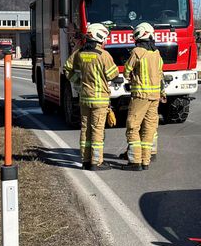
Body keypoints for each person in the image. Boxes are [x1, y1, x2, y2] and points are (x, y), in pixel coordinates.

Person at [62, 22, 119, 170]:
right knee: (97, 131)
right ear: (99, 37)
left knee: (85, 130)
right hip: (100, 100)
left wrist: (78, 82)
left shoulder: (79, 53)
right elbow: (113, 74)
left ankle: (85, 160)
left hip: (84, 98)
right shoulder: (103, 55)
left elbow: (67, 69)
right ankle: (96, 162)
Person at [123, 22, 164, 171]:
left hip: (140, 95)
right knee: (149, 128)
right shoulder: (157, 53)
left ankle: (135, 162)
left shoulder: (137, 52)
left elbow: (127, 70)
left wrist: (131, 79)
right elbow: (160, 74)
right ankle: (145, 161)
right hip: (155, 97)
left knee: (133, 127)